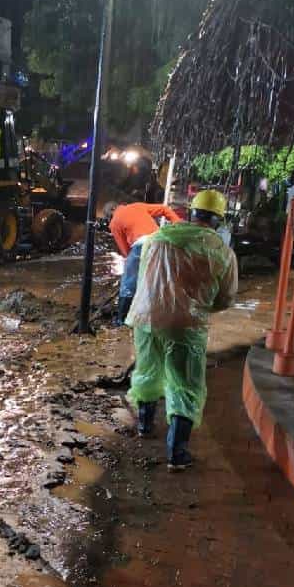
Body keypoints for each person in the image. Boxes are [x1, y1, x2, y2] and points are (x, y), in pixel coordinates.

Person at [126, 190, 238, 471]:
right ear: (219, 220)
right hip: (186, 326)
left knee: (147, 371)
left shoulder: (158, 238)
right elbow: (225, 298)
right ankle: (176, 454)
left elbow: (142, 280)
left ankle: (144, 424)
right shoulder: (222, 252)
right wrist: (198, 308)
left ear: (192, 212)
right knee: (185, 384)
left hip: (145, 318)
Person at [102, 201, 182, 324]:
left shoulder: (114, 223)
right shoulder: (137, 206)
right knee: (160, 278)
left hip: (141, 245)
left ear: (111, 213)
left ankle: (121, 319)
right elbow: (164, 209)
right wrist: (177, 222)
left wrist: (132, 265)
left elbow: (125, 251)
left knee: (128, 283)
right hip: (161, 240)